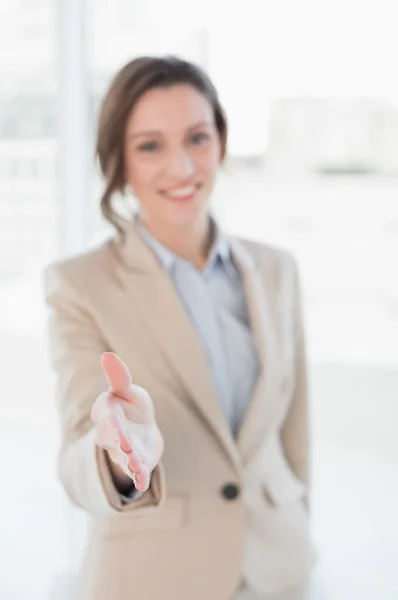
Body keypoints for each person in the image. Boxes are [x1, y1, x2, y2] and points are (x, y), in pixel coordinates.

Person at [44, 56, 323, 600]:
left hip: (279, 569)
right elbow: (78, 459)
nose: (182, 167)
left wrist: (301, 529)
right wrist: (119, 457)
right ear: (119, 162)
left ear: (220, 141)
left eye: (197, 137)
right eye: (150, 145)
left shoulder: (275, 269)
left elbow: (296, 433)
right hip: (153, 578)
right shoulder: (81, 285)